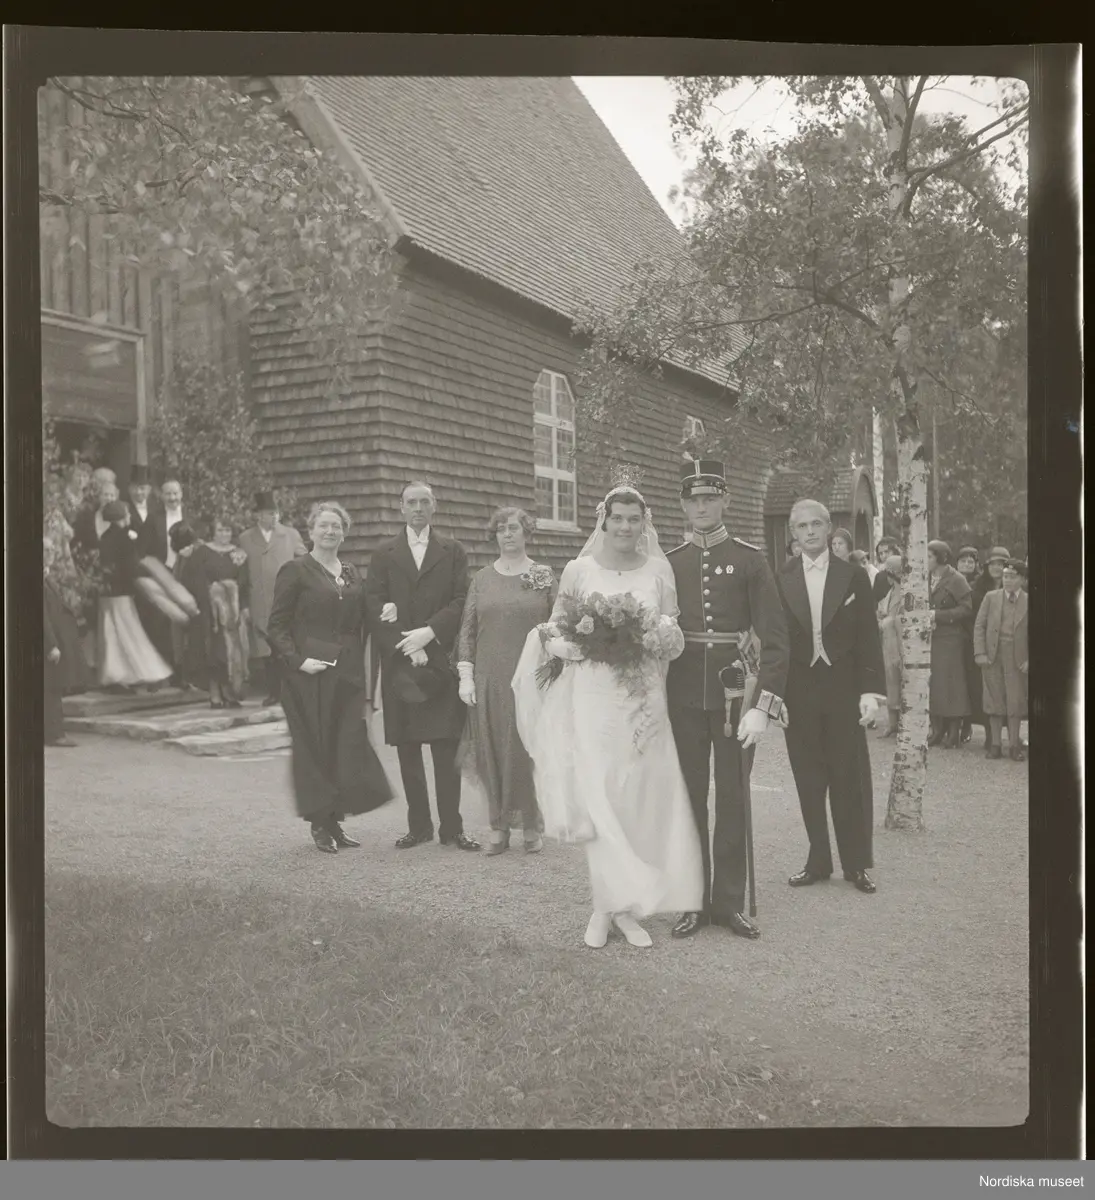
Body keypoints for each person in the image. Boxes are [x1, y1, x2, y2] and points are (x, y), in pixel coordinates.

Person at [512, 483, 704, 948]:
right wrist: (565, 645)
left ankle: (618, 909)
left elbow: (671, 628)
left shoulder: (659, 570)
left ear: (644, 523)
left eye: (633, 519)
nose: (625, 527)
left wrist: (665, 638)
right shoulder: (579, 570)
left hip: (642, 696)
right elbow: (555, 626)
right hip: (593, 695)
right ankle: (608, 908)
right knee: (599, 798)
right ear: (603, 520)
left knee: (634, 797)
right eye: (617, 517)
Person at [664, 459, 789, 942]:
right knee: (689, 797)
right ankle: (692, 901)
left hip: (736, 696)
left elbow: (775, 640)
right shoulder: (670, 562)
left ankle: (729, 903)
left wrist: (764, 706)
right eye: (694, 499)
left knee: (733, 795)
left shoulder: (750, 559)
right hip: (682, 695)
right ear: (683, 505)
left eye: (710, 498)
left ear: (725, 501)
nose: (702, 507)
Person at [265, 501, 394, 853]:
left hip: (347, 674)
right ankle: (321, 824)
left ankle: (335, 819)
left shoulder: (351, 572)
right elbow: (276, 627)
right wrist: (297, 661)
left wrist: (388, 608)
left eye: (336, 526)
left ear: (344, 533)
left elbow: (366, 615)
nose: (330, 531)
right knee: (316, 747)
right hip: (309, 676)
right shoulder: (296, 570)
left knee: (345, 746)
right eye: (323, 525)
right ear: (311, 531)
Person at [776, 499, 886, 895]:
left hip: (843, 687)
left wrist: (871, 691)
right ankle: (818, 860)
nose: (809, 532)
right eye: (801, 526)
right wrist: (775, 696)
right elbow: (777, 642)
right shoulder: (782, 576)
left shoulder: (852, 575)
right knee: (808, 778)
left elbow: (869, 635)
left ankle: (856, 864)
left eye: (816, 525)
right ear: (793, 533)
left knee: (848, 777)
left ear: (828, 528)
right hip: (799, 689)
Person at [366, 482, 478, 851]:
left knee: (446, 749)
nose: (417, 508)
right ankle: (419, 827)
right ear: (401, 508)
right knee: (408, 749)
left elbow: (461, 599)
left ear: (434, 507)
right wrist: (407, 645)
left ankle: (452, 828)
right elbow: (373, 604)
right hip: (401, 664)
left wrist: (429, 634)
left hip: (440, 661)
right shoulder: (383, 553)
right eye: (411, 502)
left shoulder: (452, 551)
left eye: (424, 502)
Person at [455, 507, 557, 856]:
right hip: (490, 678)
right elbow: (468, 629)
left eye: (514, 528)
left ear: (527, 532)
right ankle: (498, 826)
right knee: (492, 751)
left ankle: (531, 825)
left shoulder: (543, 575)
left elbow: (559, 624)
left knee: (527, 751)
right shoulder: (482, 579)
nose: (508, 534)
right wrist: (466, 675)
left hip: (531, 677)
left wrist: (556, 671)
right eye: (501, 529)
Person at [238, 491, 308, 705]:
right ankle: (273, 692)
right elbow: (241, 574)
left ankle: (292, 692)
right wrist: (244, 604)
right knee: (266, 650)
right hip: (259, 601)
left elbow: (305, 561)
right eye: (270, 513)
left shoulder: (290, 535)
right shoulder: (245, 539)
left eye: (276, 513)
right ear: (258, 515)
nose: (274, 517)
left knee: (287, 646)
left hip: (286, 600)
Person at [96, 501, 173, 692]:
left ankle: (117, 675)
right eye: (127, 514)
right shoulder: (124, 538)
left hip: (108, 592)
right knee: (131, 632)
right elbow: (131, 567)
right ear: (121, 517)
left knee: (112, 635)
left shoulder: (105, 537)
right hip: (123, 591)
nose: (130, 516)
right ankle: (150, 671)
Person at [175, 517, 251, 707]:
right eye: (220, 531)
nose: (224, 534)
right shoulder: (202, 552)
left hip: (231, 612)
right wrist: (211, 594)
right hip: (209, 611)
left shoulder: (238, 554)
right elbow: (190, 578)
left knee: (232, 652)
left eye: (228, 530)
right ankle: (215, 693)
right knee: (213, 652)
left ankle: (229, 692)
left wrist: (243, 607)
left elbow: (244, 583)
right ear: (213, 533)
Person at [974, 558, 1028, 762]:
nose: (1008, 580)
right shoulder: (991, 597)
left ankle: (1014, 746)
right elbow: (979, 626)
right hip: (992, 656)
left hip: (1017, 658)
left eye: (1013, 576)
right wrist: (980, 653)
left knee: (1015, 701)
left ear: (1022, 579)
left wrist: (1030, 659)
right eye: (1005, 576)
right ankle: (995, 745)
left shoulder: (1029, 600)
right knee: (994, 700)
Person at [926, 540, 972, 749]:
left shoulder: (957, 579)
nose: (925, 560)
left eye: (929, 556)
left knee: (952, 685)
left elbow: (966, 609)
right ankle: (937, 730)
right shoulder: (924, 577)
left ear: (941, 557)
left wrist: (938, 615)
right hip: (930, 638)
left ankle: (954, 732)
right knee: (934, 684)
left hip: (951, 638)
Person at [44, 538, 79, 747]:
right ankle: (55, 734)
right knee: (51, 689)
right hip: (46, 644)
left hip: (55, 640)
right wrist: (51, 645)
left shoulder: (47, 577)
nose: (51, 552)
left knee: (52, 688)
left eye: (51, 549)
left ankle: (53, 732)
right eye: (45, 549)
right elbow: (41, 615)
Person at [955, 546, 988, 745]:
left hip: (970, 636)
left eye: (971, 561)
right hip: (954, 636)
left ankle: (969, 724)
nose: (967, 564)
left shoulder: (978, 584)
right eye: (963, 560)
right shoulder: (951, 579)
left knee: (972, 683)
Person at [875, 552, 906, 738]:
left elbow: (900, 617)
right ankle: (892, 722)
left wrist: (886, 621)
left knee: (902, 679)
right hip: (888, 641)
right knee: (891, 680)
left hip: (900, 641)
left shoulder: (905, 592)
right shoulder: (890, 592)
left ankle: (904, 723)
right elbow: (883, 611)